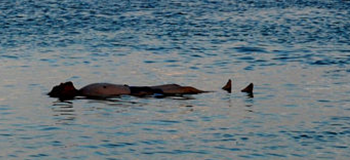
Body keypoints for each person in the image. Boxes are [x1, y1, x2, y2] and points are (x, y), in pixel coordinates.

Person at [48, 79, 253, 99]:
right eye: (62, 86)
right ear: (64, 93)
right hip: (139, 92)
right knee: (184, 90)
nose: (65, 82)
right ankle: (221, 92)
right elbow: (118, 98)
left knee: (175, 85)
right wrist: (140, 95)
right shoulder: (87, 96)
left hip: (135, 88)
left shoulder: (85, 91)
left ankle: (223, 90)